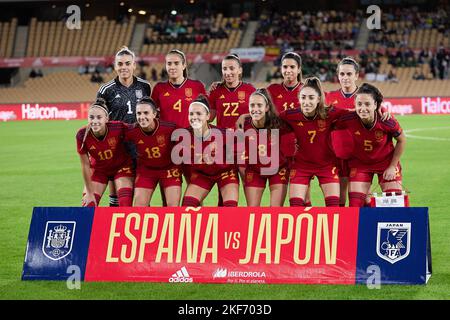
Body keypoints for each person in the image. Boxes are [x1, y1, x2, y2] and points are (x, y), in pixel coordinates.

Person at [280, 77, 351, 207]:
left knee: (334, 207)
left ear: (318, 99)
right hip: (301, 166)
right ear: (299, 98)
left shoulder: (329, 112)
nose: (307, 102)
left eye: (311, 98)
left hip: (327, 165)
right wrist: (244, 117)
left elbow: (354, 114)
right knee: (295, 206)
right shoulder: (289, 115)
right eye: (304, 97)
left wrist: (382, 110)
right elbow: (269, 118)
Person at [96, 46, 151, 207]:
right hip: (116, 146)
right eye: (120, 64)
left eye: (128, 63)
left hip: (139, 146)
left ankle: (140, 224)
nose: (124, 67)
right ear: (115, 66)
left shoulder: (144, 86)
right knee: (116, 195)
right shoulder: (106, 90)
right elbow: (99, 118)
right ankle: (114, 226)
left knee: (140, 191)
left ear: (134, 65)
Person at [335, 83, 406, 207]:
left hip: (386, 163)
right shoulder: (347, 119)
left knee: (395, 203)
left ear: (375, 105)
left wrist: (392, 166)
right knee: (356, 205)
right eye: (359, 104)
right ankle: (368, 212)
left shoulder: (386, 120)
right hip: (360, 164)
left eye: (367, 104)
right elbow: (326, 118)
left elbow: (402, 140)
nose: (363, 108)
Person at [180, 95, 239, 207]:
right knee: (187, 208)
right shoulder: (183, 136)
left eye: (199, 114)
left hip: (225, 174)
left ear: (208, 116)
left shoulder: (225, 134)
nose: (194, 117)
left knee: (229, 208)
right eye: (191, 114)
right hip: (202, 175)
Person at [76, 98, 134, 207]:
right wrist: (89, 192)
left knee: (125, 203)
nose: (95, 121)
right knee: (88, 204)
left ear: (107, 118)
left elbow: (137, 131)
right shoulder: (82, 135)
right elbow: (85, 165)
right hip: (99, 170)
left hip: (122, 168)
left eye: (99, 117)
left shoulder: (118, 127)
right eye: (91, 117)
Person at [124, 97, 182, 206]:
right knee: (139, 208)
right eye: (139, 113)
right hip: (146, 171)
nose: (142, 117)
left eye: (146, 113)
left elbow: (188, 138)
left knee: (173, 208)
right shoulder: (131, 131)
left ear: (154, 114)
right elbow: (114, 129)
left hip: (170, 170)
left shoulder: (170, 128)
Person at [240, 89, 289, 206]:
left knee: (275, 212)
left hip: (278, 170)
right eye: (252, 105)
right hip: (255, 171)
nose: (255, 108)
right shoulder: (243, 125)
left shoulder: (279, 124)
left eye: (259, 105)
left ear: (267, 107)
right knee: (253, 212)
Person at [325, 57, 360, 206]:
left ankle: (361, 228)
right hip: (336, 154)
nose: (345, 78)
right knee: (339, 198)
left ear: (356, 75)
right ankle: (341, 228)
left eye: (349, 74)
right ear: (338, 75)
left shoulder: (365, 96)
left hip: (359, 155)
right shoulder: (329, 97)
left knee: (358, 197)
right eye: (342, 74)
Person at [151, 49, 206, 128]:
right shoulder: (159, 88)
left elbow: (207, 112)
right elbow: (151, 113)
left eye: (176, 63)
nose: (172, 67)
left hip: (190, 136)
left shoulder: (197, 86)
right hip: (166, 137)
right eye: (169, 64)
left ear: (184, 65)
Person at [208, 53, 256, 129]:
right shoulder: (215, 90)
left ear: (240, 70)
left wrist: (244, 116)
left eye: (231, 68)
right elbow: (210, 118)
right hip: (223, 137)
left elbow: (259, 113)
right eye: (224, 69)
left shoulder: (250, 90)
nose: (227, 72)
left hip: (244, 136)